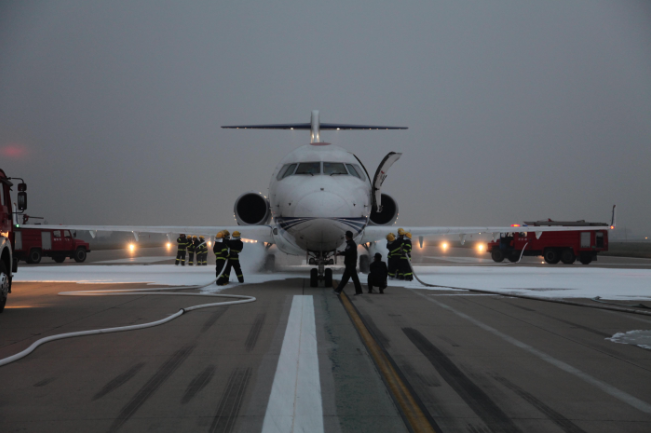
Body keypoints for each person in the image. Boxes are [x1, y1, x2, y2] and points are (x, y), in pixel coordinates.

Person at [334, 230, 363, 296]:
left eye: (346, 235)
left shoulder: (351, 244)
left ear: (347, 236)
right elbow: (348, 252)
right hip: (350, 264)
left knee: (349, 278)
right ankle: (338, 290)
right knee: (347, 278)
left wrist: (340, 253)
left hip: (351, 264)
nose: (345, 237)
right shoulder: (350, 244)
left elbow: (348, 252)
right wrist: (341, 252)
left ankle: (338, 290)